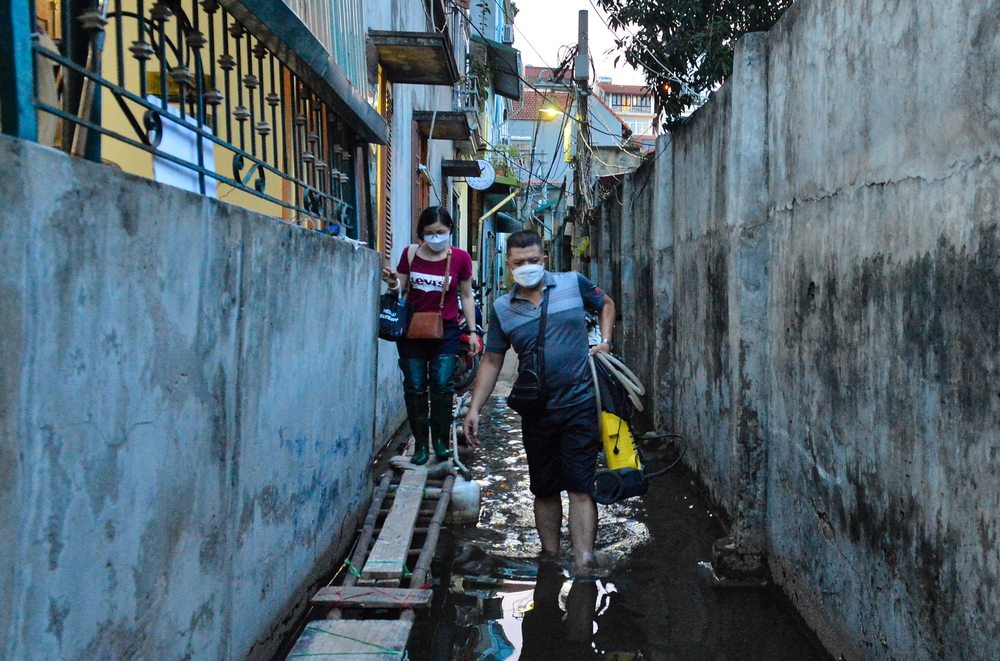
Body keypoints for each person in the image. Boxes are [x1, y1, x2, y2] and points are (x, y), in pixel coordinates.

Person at [463, 230, 616, 570]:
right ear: (508, 266)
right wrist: (475, 408)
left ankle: (583, 563)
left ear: (544, 258)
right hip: (537, 411)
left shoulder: (572, 283)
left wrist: (605, 341)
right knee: (544, 489)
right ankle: (550, 558)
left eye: (534, 260)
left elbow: (606, 304)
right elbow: (492, 359)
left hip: (580, 403)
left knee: (580, 486)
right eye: (519, 263)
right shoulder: (503, 308)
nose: (528, 267)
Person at [383, 206, 480, 465]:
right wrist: (392, 282)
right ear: (420, 234)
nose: (436, 237)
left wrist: (471, 332)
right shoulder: (410, 254)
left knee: (441, 385)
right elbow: (398, 289)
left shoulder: (460, 258)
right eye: (430, 233)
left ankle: (440, 441)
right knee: (414, 387)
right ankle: (421, 446)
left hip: (446, 331)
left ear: (450, 231)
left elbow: (466, 296)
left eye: (441, 232)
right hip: (411, 330)